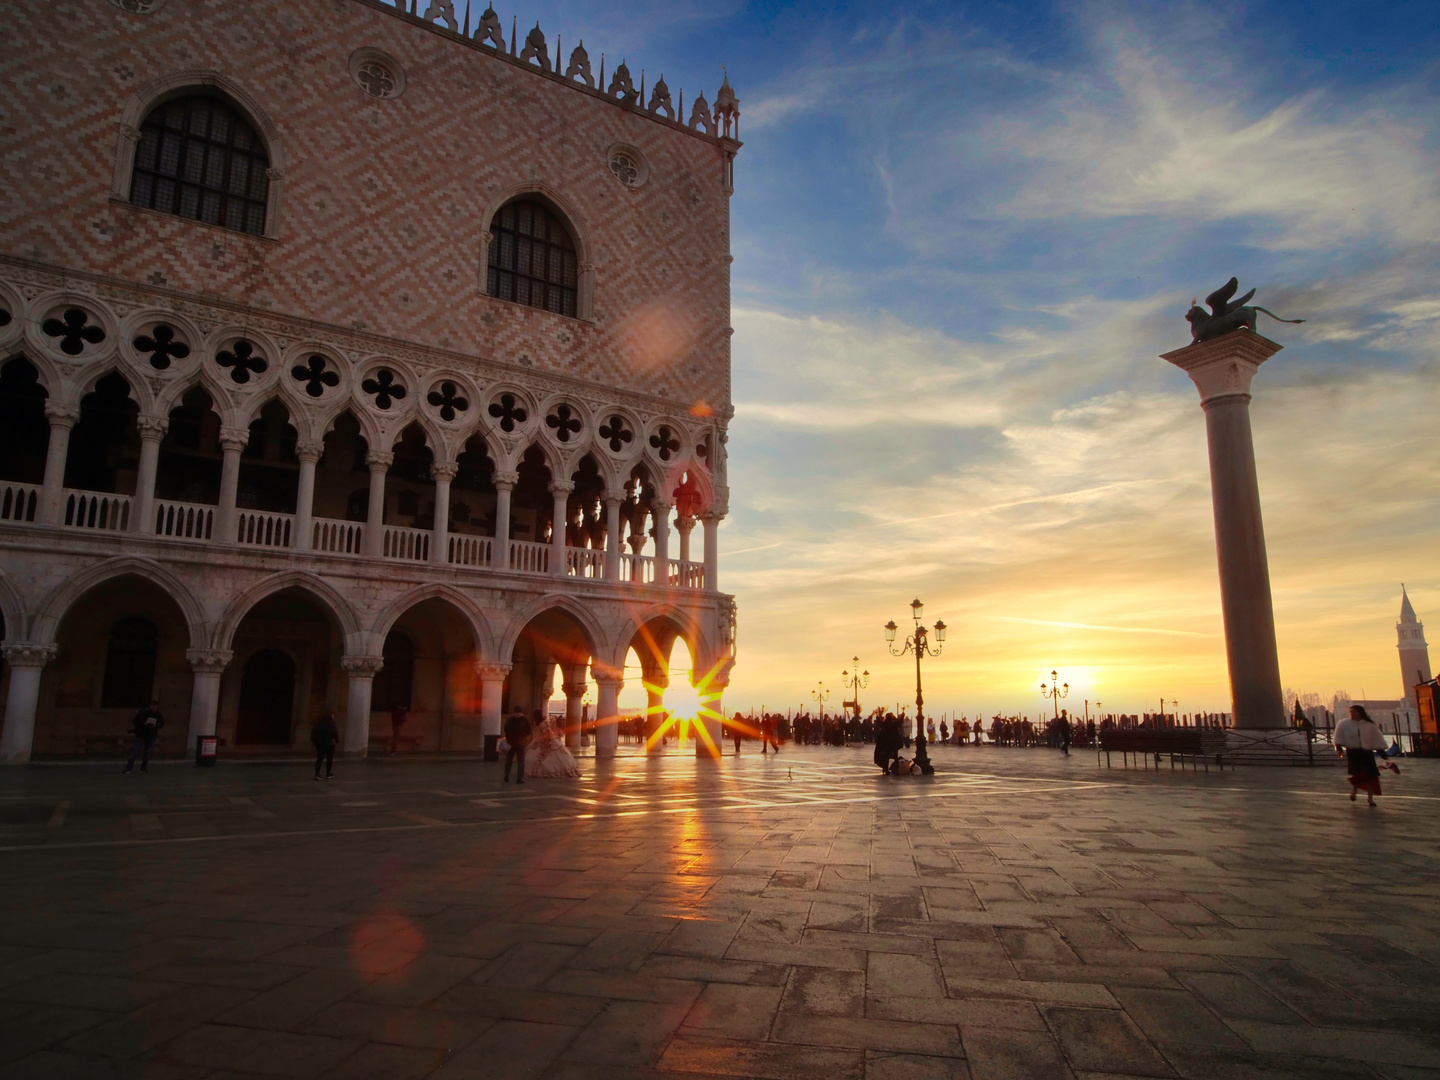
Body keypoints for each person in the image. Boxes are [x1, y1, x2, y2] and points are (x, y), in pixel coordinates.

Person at [1334, 705, 1389, 806]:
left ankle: (1370, 798)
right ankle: (1354, 793)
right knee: (1358, 775)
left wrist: (1382, 753)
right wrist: (1339, 748)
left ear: (1360, 713)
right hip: (1353, 753)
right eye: (1350, 712)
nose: (1352, 714)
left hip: (1366, 753)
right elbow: (1339, 737)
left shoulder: (1369, 725)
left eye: (1354, 712)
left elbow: (1376, 739)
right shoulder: (1343, 724)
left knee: (1371, 776)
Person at [123, 700, 164, 773]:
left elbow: (161, 724)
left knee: (147, 753)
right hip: (141, 734)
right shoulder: (143, 712)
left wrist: (156, 725)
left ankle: (143, 768)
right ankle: (128, 768)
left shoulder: (158, 714)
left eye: (156, 707)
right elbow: (135, 721)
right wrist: (143, 723)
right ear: (150, 706)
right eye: (153, 707)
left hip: (151, 735)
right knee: (135, 751)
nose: (154, 708)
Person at [502, 709, 533, 783]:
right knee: (521, 761)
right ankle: (520, 778)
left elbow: (505, 729)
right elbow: (529, 731)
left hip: (511, 743)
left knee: (509, 760)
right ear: (521, 713)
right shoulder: (524, 720)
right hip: (520, 743)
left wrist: (509, 738)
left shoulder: (509, 720)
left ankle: (506, 776)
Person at [311, 712, 339, 779]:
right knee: (329, 759)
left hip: (320, 743)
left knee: (319, 758)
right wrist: (337, 739)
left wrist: (314, 741)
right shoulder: (331, 723)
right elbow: (334, 732)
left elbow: (313, 732)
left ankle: (317, 773)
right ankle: (328, 773)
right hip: (329, 743)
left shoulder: (318, 723)